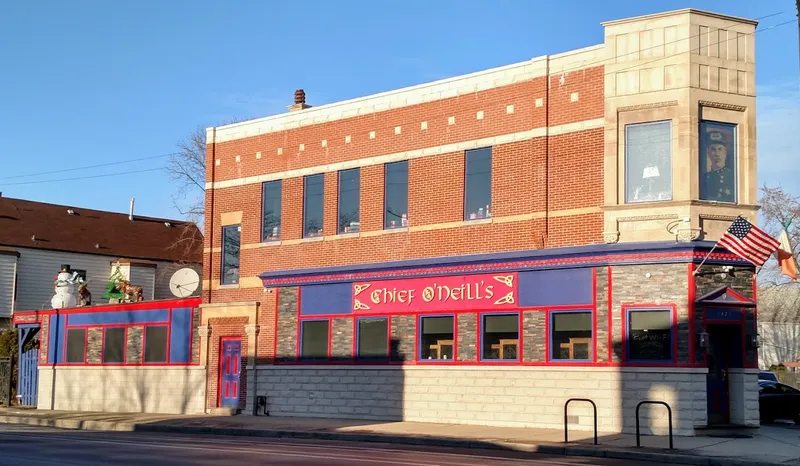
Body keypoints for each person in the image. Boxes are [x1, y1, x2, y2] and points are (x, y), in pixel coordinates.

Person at [702, 128, 735, 203]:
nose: (717, 154)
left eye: (720, 149)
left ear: (725, 152)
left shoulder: (733, 176)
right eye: (713, 150)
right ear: (708, 153)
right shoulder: (704, 178)